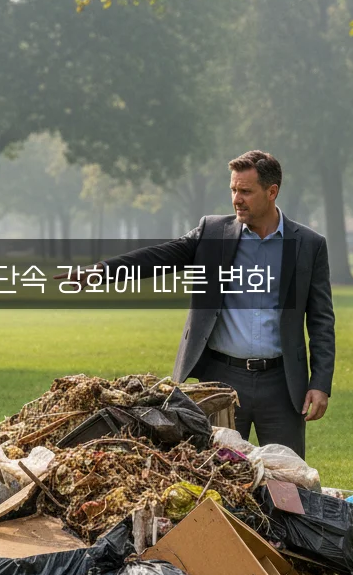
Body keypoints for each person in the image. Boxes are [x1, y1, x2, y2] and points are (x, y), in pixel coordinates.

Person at [89, 150, 335, 455]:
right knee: (215, 471)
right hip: (221, 381)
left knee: (288, 475)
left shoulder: (309, 245)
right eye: (233, 190)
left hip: (282, 384)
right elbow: (161, 256)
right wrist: (103, 270)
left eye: (246, 191)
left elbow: (322, 321)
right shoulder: (213, 233)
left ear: (272, 192)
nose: (237, 199)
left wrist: (320, 383)